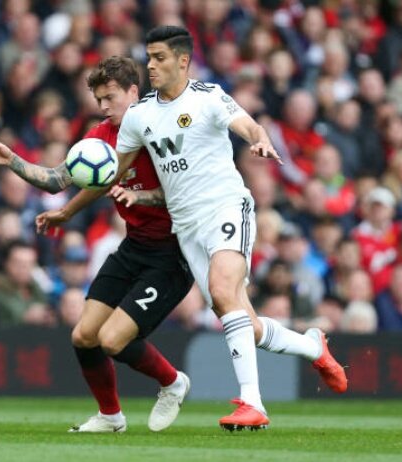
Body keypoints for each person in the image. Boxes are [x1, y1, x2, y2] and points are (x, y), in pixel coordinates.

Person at [107, 26, 347, 430]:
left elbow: (250, 127)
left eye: (160, 57)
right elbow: (114, 169)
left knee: (222, 291)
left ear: (182, 61)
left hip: (225, 207)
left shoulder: (209, 98)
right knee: (243, 322)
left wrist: (259, 140)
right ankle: (312, 345)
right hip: (185, 226)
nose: (150, 65)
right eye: (148, 57)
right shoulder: (139, 116)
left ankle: (253, 404)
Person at [0, 56, 194, 433]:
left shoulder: (165, 130)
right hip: (134, 247)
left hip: (172, 255)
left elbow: (186, 193)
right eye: (99, 101)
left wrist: (141, 198)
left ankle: (173, 382)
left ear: (133, 92)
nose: (104, 108)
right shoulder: (101, 137)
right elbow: (58, 179)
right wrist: (12, 159)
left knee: (112, 339)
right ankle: (111, 417)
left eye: (110, 98)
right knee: (84, 336)